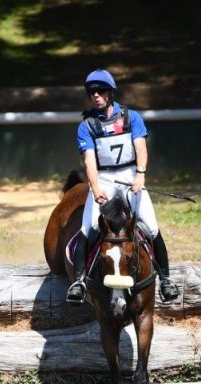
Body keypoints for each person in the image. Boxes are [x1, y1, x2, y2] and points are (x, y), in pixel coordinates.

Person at [66, 68, 180, 306]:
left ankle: (166, 280)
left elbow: (141, 148)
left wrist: (140, 175)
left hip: (130, 175)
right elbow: (89, 159)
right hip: (104, 178)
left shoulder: (132, 117)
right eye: (91, 92)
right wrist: (95, 187)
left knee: (151, 227)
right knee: (88, 229)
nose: (95, 95)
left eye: (100, 91)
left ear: (110, 93)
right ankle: (78, 281)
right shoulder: (86, 126)